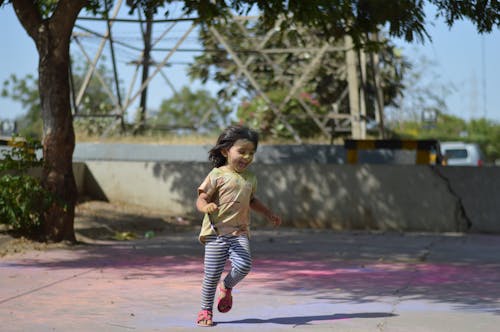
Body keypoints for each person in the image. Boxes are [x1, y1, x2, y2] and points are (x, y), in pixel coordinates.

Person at [195, 125, 282, 327]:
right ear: (226, 151)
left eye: (251, 153)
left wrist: (269, 213)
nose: (247, 157)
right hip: (215, 233)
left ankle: (226, 287)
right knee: (211, 275)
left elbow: (252, 201)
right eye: (241, 151)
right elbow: (201, 197)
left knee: (244, 265)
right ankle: (205, 310)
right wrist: (205, 206)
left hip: (239, 233)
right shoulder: (217, 174)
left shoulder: (250, 178)